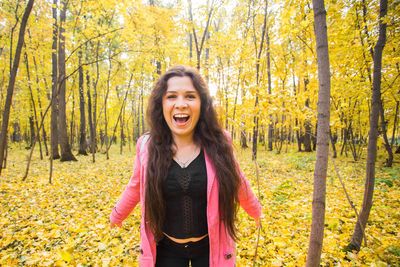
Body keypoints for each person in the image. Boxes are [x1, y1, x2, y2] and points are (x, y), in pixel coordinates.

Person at [110, 65, 262, 267]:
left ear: (202, 104)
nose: (181, 104)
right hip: (165, 249)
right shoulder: (146, 146)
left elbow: (237, 181)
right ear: (161, 104)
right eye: (171, 96)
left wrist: (255, 211)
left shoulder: (220, 142)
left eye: (190, 96)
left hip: (210, 249)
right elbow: (136, 185)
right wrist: (117, 214)